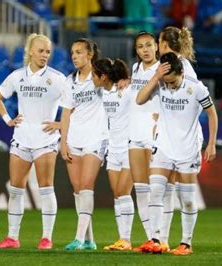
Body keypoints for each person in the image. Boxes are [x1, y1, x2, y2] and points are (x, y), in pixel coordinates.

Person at [136, 52, 218, 256]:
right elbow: (139, 99)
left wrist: (212, 144)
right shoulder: (161, 82)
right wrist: (156, 77)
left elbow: (212, 113)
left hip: (188, 149)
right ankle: (156, 240)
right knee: (155, 190)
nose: (169, 86)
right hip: (163, 145)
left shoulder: (196, 87)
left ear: (181, 72)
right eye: (166, 81)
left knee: (187, 199)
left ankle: (186, 243)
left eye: (172, 81)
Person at [0, 33, 67, 250]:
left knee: (45, 188)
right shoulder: (17, 76)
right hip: (22, 138)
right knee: (15, 190)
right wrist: (8, 119)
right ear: (31, 51)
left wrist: (60, 124)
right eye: (41, 51)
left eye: (48, 52)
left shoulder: (58, 78)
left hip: (46, 140)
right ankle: (12, 238)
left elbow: (75, 106)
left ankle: (46, 238)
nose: (45, 55)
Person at [156, 26, 203, 251]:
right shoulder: (167, 66)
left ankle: (185, 241)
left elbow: (195, 101)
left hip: (185, 138)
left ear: (164, 44)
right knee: (166, 189)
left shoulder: (182, 68)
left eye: (158, 42)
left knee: (183, 193)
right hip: (169, 137)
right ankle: (162, 239)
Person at [60, 39, 107, 250]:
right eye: (72, 52)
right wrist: (63, 142)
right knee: (78, 189)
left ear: (90, 55)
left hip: (96, 138)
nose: (74, 56)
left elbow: (118, 85)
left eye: (79, 52)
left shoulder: (100, 77)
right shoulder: (70, 81)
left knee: (87, 186)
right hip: (74, 139)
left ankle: (78, 238)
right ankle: (89, 240)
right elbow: (66, 112)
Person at [92, 58, 135, 251]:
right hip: (113, 148)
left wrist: (131, 80)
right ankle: (121, 239)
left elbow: (145, 87)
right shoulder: (101, 93)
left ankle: (127, 239)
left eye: (94, 75)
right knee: (117, 195)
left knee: (124, 193)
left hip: (129, 147)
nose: (92, 78)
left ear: (103, 76)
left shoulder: (125, 90)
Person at [128, 31, 160, 252]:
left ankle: (161, 236)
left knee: (157, 189)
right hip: (135, 131)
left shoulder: (164, 69)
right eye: (140, 47)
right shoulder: (135, 69)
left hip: (154, 132)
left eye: (149, 45)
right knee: (140, 188)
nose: (145, 50)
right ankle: (151, 238)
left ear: (157, 46)